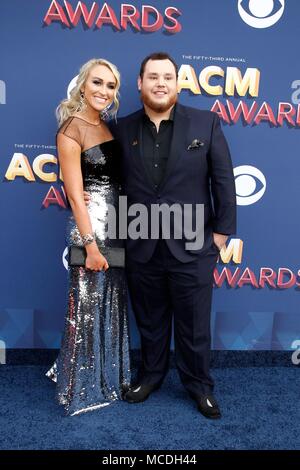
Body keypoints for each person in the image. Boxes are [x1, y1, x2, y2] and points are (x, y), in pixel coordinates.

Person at [46, 58, 131, 416]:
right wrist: (90, 245)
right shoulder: (71, 129)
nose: (104, 91)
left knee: (111, 303)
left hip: (118, 222)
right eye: (97, 83)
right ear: (83, 85)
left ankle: (108, 373)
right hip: (91, 227)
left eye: (111, 86)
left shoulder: (110, 128)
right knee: (86, 308)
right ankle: (78, 383)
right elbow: (74, 193)